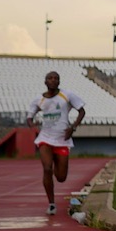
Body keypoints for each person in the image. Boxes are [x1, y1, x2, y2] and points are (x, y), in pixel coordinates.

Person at [26, 71, 85, 216]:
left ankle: (55, 182)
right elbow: (29, 117)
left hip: (62, 140)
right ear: (45, 82)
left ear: (59, 82)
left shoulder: (67, 95)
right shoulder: (38, 100)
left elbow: (82, 111)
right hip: (45, 138)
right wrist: (32, 125)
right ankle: (51, 204)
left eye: (56, 78)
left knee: (61, 177)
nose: (53, 80)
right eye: (50, 78)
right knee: (47, 169)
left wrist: (73, 127)